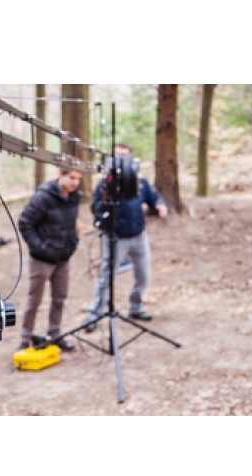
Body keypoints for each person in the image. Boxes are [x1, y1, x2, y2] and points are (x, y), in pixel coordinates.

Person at [85, 143, 168, 331]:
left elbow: (153, 197)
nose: (121, 160)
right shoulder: (105, 183)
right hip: (116, 237)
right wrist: (106, 209)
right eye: (117, 156)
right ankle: (94, 315)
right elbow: (96, 207)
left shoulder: (139, 181)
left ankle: (136, 307)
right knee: (106, 276)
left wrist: (160, 205)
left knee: (143, 274)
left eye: (124, 156)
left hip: (138, 235)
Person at [17, 166, 84, 352]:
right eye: (72, 177)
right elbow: (25, 222)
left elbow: (71, 225)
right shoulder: (43, 196)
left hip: (63, 258)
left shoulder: (74, 197)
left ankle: (55, 335)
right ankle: (24, 340)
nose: (75, 182)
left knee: (59, 299)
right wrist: (41, 247)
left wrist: (72, 243)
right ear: (61, 174)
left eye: (78, 179)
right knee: (34, 301)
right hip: (42, 259)